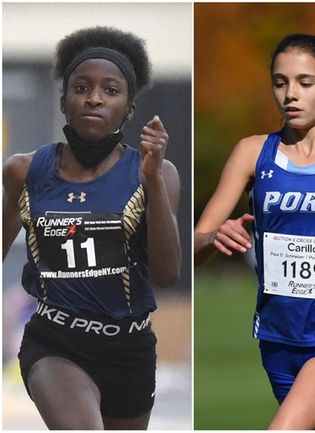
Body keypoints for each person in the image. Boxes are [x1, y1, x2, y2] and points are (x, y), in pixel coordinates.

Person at [193, 34, 315, 429]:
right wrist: (212, 238)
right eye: (280, 82)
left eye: (305, 82)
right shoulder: (252, 152)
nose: (290, 94)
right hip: (278, 345)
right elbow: (191, 249)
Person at [2, 27, 181, 429]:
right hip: (55, 342)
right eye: (81, 88)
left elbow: (167, 275)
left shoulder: (155, 173)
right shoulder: (23, 171)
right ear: (64, 101)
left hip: (130, 350)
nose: (94, 98)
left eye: (110, 90)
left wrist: (152, 179)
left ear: (129, 108)